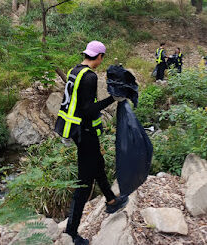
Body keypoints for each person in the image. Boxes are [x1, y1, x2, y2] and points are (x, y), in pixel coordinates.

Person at [55, 41, 129, 245]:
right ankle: (71, 233)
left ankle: (111, 200)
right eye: (102, 57)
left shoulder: (75, 71)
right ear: (99, 57)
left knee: (98, 164)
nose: (101, 61)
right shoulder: (90, 76)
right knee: (84, 184)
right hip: (84, 131)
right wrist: (113, 99)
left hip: (77, 130)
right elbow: (88, 109)